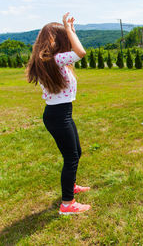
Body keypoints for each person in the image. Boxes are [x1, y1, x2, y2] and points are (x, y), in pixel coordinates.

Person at [26, 13, 91, 215]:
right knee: (71, 157)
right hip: (58, 115)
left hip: (59, 114)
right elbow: (81, 52)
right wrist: (69, 31)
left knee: (75, 152)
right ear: (58, 40)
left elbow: (74, 50)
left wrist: (70, 31)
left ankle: (70, 187)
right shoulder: (56, 60)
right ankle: (67, 204)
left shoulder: (51, 60)